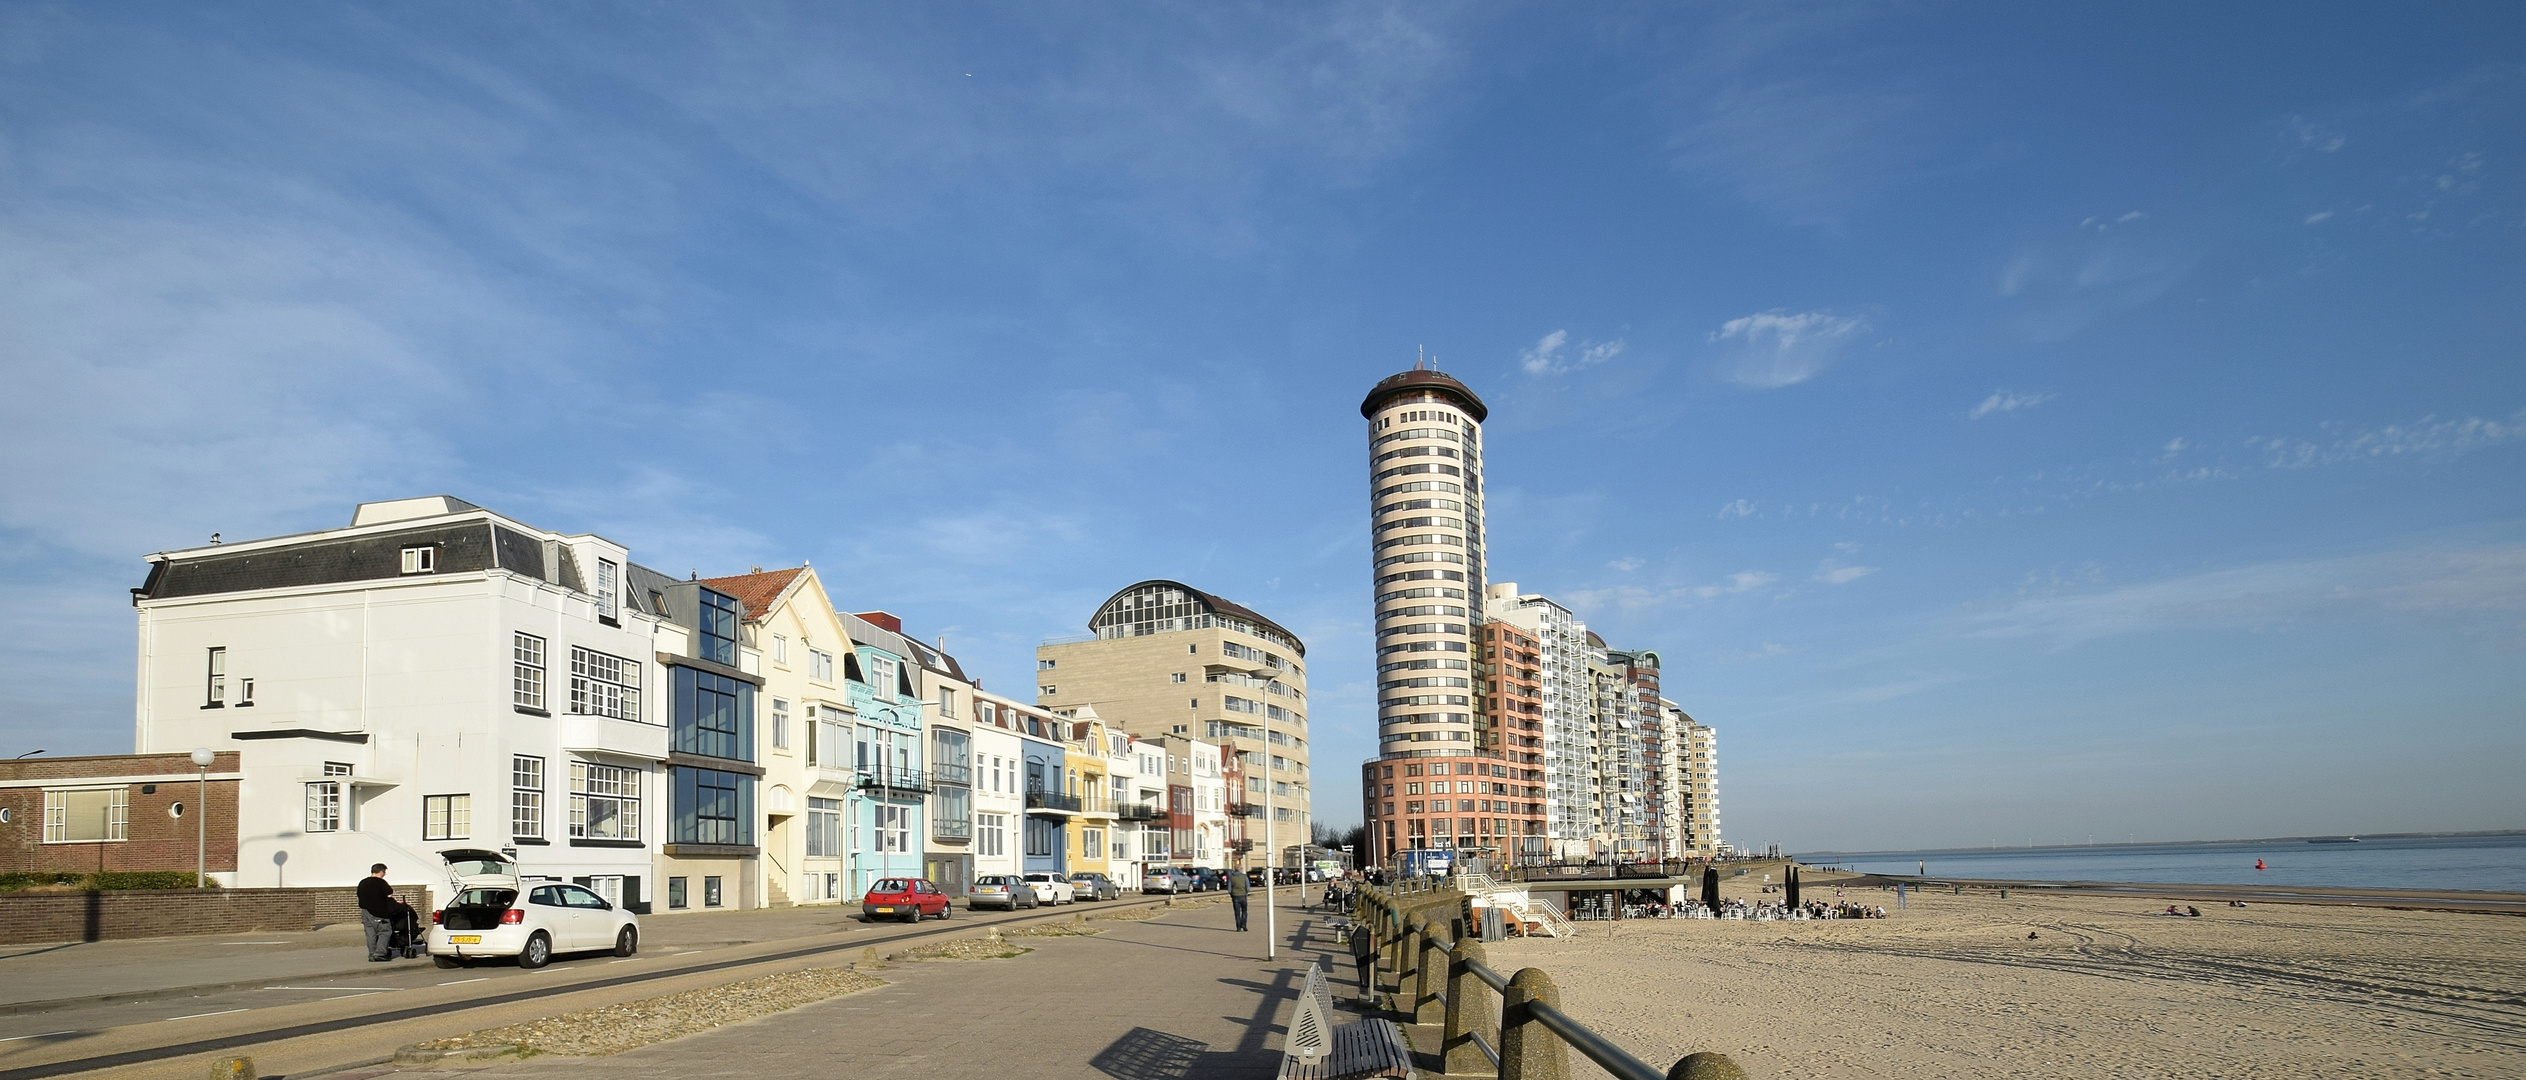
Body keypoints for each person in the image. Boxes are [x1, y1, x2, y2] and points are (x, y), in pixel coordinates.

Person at [357, 863, 398, 962]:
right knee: (385, 931)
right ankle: (379, 953)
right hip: (379, 912)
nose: (385, 874)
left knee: (370, 933)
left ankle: (372, 954)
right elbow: (389, 894)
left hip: (365, 911)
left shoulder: (363, 882)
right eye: (384, 872)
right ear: (381, 871)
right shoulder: (380, 882)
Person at [1227, 863, 1251, 932]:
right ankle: (1244, 924)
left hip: (1235, 896)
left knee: (1237, 912)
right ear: (1240, 869)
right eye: (1242, 868)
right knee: (1244, 911)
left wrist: (1232, 894)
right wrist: (1246, 892)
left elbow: (1229, 889)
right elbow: (1248, 887)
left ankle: (1238, 927)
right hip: (1243, 895)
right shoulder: (1244, 876)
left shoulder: (1231, 877)